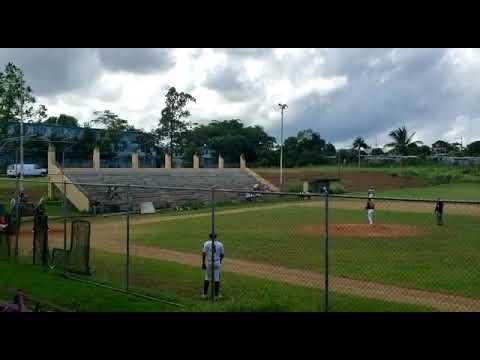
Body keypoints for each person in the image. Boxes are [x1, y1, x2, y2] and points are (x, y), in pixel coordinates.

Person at [202, 233, 224, 300]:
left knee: (207, 278)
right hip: (217, 262)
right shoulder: (220, 244)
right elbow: (222, 255)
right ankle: (216, 296)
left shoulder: (206, 243)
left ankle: (204, 295)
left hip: (209, 262)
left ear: (209, 237)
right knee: (217, 279)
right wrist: (219, 261)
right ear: (216, 237)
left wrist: (203, 263)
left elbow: (204, 254)